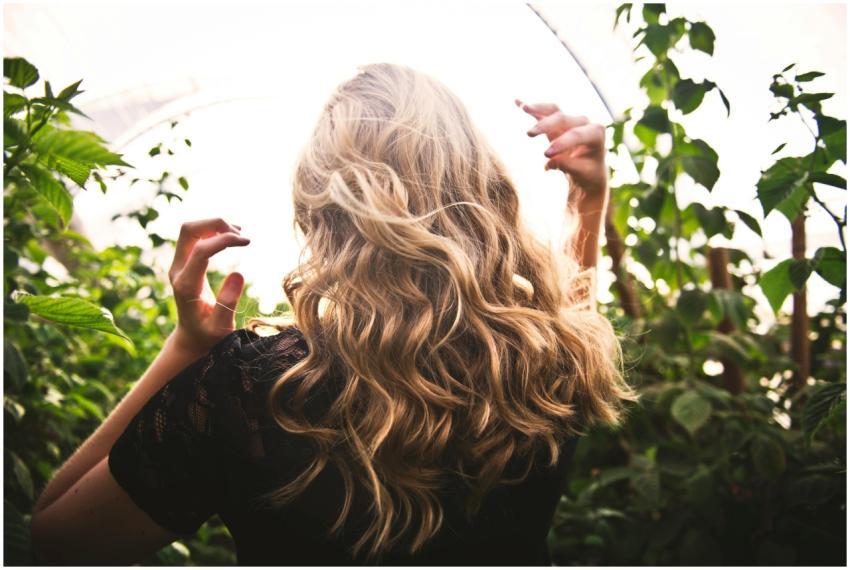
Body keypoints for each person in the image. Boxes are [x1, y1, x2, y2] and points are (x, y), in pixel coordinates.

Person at [29, 63, 638, 565]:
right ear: (478, 184)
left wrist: (186, 348)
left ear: (321, 207)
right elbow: (569, 313)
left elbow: (52, 541)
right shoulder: (550, 361)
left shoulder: (254, 391)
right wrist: (588, 199)